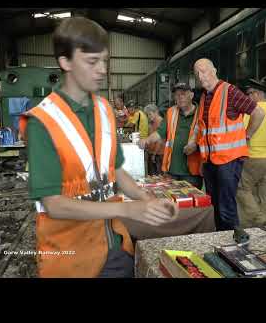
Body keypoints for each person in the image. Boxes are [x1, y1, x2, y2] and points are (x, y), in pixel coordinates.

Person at [20, 17, 177, 278]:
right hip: (70, 259)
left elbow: (115, 171)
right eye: (92, 62)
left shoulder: (104, 110)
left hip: (114, 245)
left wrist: (149, 201)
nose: (102, 70)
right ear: (65, 62)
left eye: (104, 61)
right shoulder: (42, 122)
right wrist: (126, 208)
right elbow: (54, 204)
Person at [189, 59, 266, 231]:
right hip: (211, 163)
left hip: (228, 161)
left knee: (226, 208)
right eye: (197, 74)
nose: (200, 77)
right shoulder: (204, 97)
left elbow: (258, 113)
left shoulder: (229, 92)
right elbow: (205, 133)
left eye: (203, 71)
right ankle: (220, 242)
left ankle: (232, 245)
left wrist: (247, 136)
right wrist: (203, 161)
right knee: (215, 206)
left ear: (214, 71)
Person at [236, 80, 266, 228]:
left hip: (254, 156)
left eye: (249, 94)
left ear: (256, 94)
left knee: (243, 189)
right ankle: (263, 220)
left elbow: (242, 132)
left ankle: (257, 217)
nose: (247, 97)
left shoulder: (251, 110)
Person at [139, 82, 202, 188]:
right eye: (177, 95)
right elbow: (159, 133)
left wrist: (196, 145)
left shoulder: (201, 112)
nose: (180, 97)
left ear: (191, 95)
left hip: (192, 172)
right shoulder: (171, 112)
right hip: (172, 170)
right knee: (171, 202)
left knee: (190, 203)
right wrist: (146, 140)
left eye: (183, 94)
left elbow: (208, 137)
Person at [143, 103, 165, 175]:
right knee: (151, 176)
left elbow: (160, 140)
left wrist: (154, 154)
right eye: (147, 115)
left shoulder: (160, 122)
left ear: (156, 112)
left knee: (157, 177)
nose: (148, 117)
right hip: (152, 153)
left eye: (150, 114)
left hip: (158, 154)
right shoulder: (151, 123)